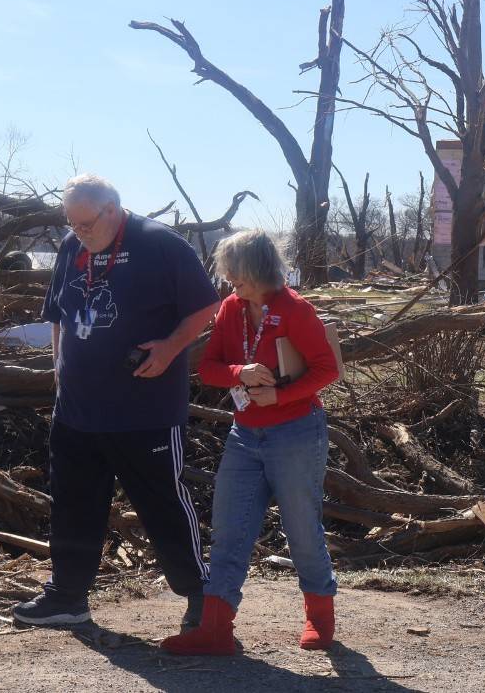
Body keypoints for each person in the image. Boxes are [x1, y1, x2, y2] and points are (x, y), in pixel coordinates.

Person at [12, 175, 219, 628]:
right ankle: (67, 597)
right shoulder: (72, 245)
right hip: (77, 409)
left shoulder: (160, 244)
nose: (79, 231)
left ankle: (202, 599)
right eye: (71, 223)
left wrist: (169, 348)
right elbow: (58, 316)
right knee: (73, 503)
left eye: (86, 223)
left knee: (162, 503)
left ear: (112, 209)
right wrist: (58, 371)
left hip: (144, 410)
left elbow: (206, 305)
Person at [162, 229, 340, 656]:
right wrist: (239, 372)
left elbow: (327, 370)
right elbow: (208, 369)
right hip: (245, 434)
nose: (228, 280)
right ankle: (216, 629)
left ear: (259, 268)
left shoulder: (296, 311)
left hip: (296, 432)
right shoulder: (230, 309)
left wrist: (279, 394)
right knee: (229, 528)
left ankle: (320, 618)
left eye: (235, 272)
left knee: (301, 528)